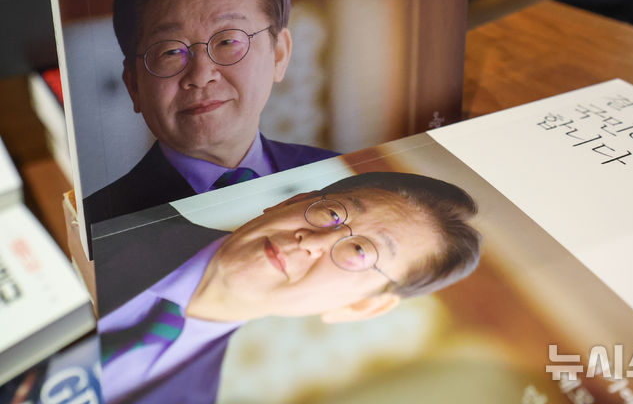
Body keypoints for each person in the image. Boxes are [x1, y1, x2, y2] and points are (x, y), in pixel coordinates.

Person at [95, 171, 482, 404]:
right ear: (292, 202)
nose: (313, 242)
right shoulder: (111, 210)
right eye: (333, 214)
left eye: (360, 251)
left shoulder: (196, 395)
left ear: (359, 307)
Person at [84, 0, 336, 226]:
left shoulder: (339, 178)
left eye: (227, 41)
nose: (201, 75)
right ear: (133, 84)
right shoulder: (102, 227)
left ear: (279, 54)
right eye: (170, 51)